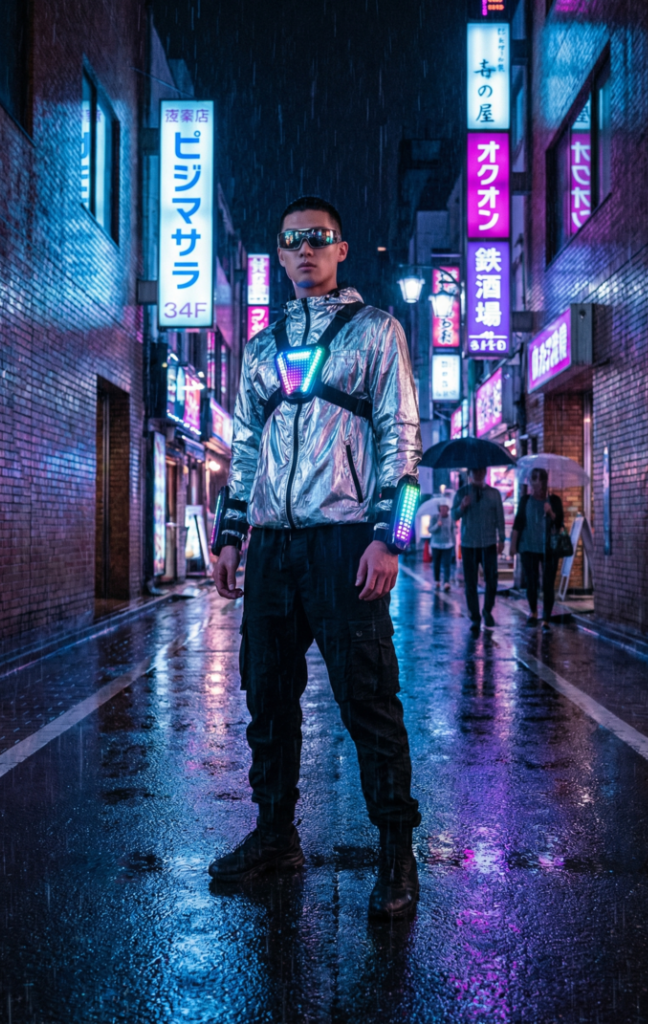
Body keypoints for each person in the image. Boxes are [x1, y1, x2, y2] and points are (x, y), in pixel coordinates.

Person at [209, 196, 422, 919]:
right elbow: (243, 447)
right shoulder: (262, 347)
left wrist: (389, 536)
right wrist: (229, 536)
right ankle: (275, 835)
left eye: (317, 239)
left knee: (367, 698)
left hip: (343, 541)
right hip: (270, 544)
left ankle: (396, 853)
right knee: (266, 697)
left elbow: (401, 437)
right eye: (291, 240)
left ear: (341, 249)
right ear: (278, 253)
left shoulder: (376, 332)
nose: (304, 250)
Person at [509, 467, 564, 627]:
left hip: (549, 548)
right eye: (534, 479)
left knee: (548, 583)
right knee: (531, 581)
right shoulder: (526, 500)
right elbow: (518, 524)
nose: (538, 483)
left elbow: (560, 524)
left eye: (541, 479)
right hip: (528, 546)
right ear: (531, 482)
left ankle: (546, 618)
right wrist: (513, 546)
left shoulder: (554, 501)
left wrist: (551, 513)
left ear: (546, 482)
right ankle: (533, 611)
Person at [452, 467, 505, 630]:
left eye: (482, 470)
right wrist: (462, 506)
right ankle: (475, 616)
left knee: (492, 580)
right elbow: (454, 516)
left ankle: (487, 610)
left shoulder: (494, 493)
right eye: (476, 470)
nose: (479, 473)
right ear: (470, 473)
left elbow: (499, 517)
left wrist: (502, 538)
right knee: (471, 583)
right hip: (469, 544)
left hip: (488, 543)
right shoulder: (462, 492)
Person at [428, 502, 454, 591]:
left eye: (445, 508)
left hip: (448, 545)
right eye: (441, 508)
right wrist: (437, 525)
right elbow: (430, 530)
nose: (443, 510)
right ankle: (437, 581)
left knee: (447, 564)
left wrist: (453, 543)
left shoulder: (450, 518)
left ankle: (446, 582)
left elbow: (452, 531)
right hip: (436, 544)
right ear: (439, 509)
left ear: (447, 509)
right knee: (437, 564)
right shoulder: (435, 517)